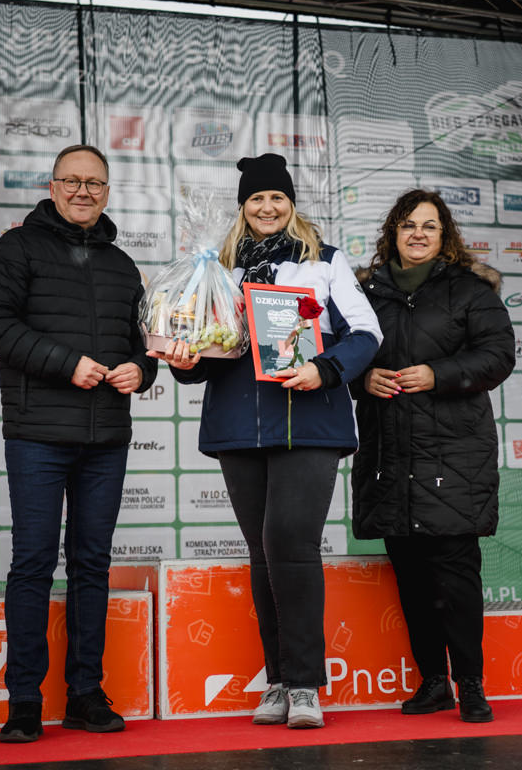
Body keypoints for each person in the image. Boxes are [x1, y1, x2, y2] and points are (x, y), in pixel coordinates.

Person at [149, 153, 382, 729]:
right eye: (256, 198)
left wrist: (324, 369)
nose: (267, 206)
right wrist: (184, 359)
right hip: (239, 428)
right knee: (262, 552)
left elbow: (366, 332)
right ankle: (277, 680)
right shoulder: (217, 269)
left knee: (290, 544)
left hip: (310, 425)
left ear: (291, 204)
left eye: (277, 197)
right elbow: (204, 355)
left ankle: (304, 685)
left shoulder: (324, 262)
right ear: (243, 207)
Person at [0, 144, 158, 743]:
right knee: (32, 563)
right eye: (72, 181)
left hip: (106, 437)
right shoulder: (19, 247)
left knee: (91, 564)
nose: (83, 191)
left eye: (94, 183)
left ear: (107, 191)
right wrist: (65, 364)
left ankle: (85, 694)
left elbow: (145, 345)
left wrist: (140, 371)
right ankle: (24, 700)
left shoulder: (124, 265)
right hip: (38, 434)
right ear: (52, 187)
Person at [350, 188, 515, 723]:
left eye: (429, 226)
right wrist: (362, 378)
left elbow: (499, 355)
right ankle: (433, 683)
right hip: (389, 457)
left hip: (453, 458)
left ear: (445, 236)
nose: (417, 234)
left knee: (456, 579)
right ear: (392, 233)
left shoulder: (471, 290)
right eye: (407, 225)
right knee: (413, 579)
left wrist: (437, 374)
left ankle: (471, 684)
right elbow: (337, 356)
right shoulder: (364, 293)